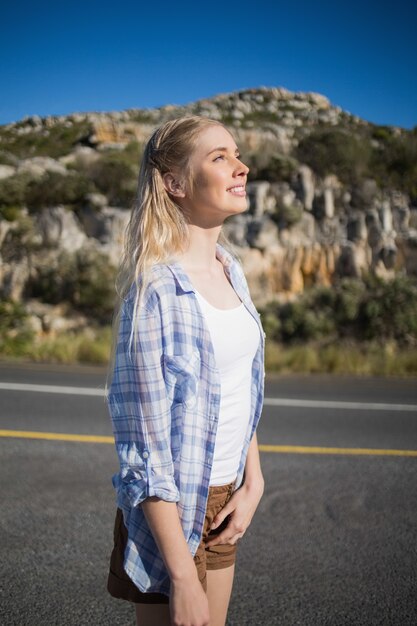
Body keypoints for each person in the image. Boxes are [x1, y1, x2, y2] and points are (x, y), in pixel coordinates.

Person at [106, 115, 265, 626]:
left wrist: (253, 481)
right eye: (220, 157)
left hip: (225, 498)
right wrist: (181, 577)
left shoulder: (231, 267)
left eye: (237, 154)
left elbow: (239, 387)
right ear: (174, 183)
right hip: (170, 512)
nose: (241, 167)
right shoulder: (153, 293)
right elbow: (145, 454)